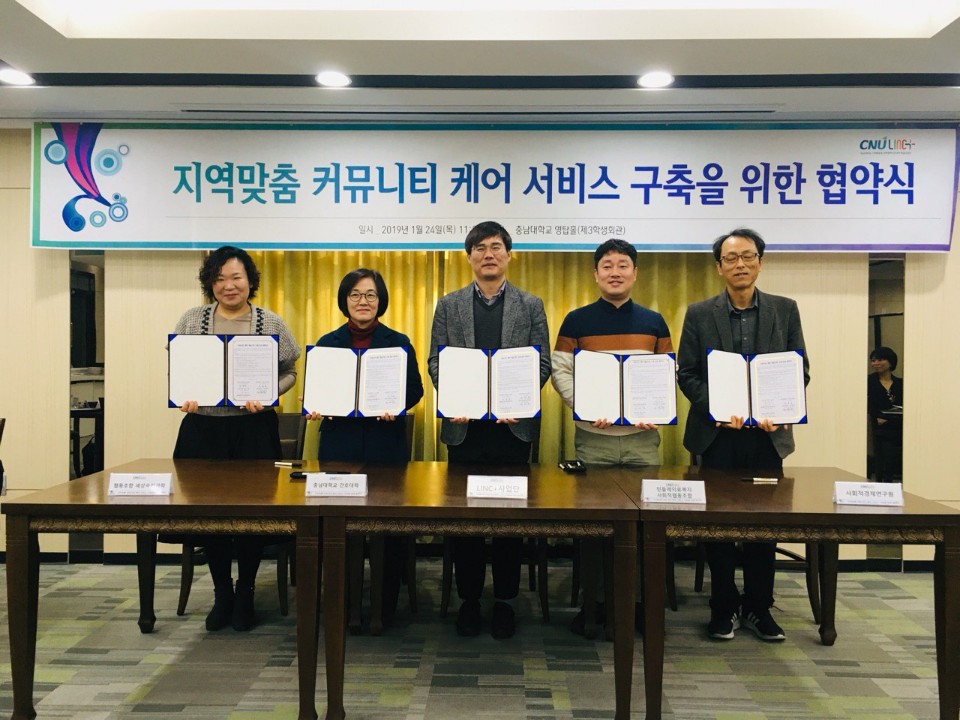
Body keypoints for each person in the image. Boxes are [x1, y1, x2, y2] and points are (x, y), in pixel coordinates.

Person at [677, 228, 809, 643]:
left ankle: (758, 606)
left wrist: (780, 409)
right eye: (731, 258)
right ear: (719, 267)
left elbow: (799, 370)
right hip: (716, 437)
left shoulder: (785, 310)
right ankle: (723, 605)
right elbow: (687, 374)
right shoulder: (699, 313)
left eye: (748, 256)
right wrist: (718, 407)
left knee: (762, 527)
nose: (740, 264)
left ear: (760, 262)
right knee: (716, 526)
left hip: (767, 438)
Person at [428, 220, 551, 640]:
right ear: (469, 258)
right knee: (466, 520)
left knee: (508, 520)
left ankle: (504, 601)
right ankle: (468, 600)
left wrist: (518, 400)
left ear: (509, 255)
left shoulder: (530, 305)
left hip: (512, 431)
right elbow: (436, 361)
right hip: (465, 430)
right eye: (479, 248)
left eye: (496, 247)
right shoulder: (448, 305)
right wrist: (456, 398)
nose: (488, 255)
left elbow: (542, 362)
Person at [172, 245, 301, 632]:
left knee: (252, 514)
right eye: (219, 278)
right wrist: (184, 395)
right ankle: (222, 593)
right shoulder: (192, 320)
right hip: (203, 429)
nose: (228, 285)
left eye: (236, 277)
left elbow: (291, 370)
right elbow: (178, 368)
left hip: (253, 430)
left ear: (250, 281)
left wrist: (270, 393)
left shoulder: (270, 322)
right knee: (209, 516)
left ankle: (245, 591)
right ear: (210, 283)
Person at [551, 238, 672, 636]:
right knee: (596, 526)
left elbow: (667, 373)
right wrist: (586, 406)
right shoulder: (576, 321)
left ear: (635, 273)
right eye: (607, 265)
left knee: (642, 525)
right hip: (594, 438)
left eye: (623, 265)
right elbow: (560, 372)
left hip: (641, 440)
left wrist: (655, 409)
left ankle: (637, 606)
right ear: (595, 274)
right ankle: (595, 605)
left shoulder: (654, 322)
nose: (615, 272)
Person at [306, 268, 424, 628]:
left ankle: (384, 604)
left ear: (380, 301)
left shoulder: (398, 342)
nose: (363, 301)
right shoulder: (327, 343)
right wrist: (315, 405)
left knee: (387, 525)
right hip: (339, 443)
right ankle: (343, 603)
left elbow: (415, 390)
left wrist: (395, 406)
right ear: (344, 300)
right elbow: (316, 390)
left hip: (384, 443)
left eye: (370, 294)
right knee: (339, 524)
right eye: (355, 294)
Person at [868, 346, 903, 483]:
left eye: (880, 359)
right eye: (873, 360)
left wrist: (887, 419)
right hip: (878, 429)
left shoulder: (900, 383)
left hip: (898, 426)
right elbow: (871, 408)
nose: (875, 363)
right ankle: (884, 480)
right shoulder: (869, 381)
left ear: (890, 362)